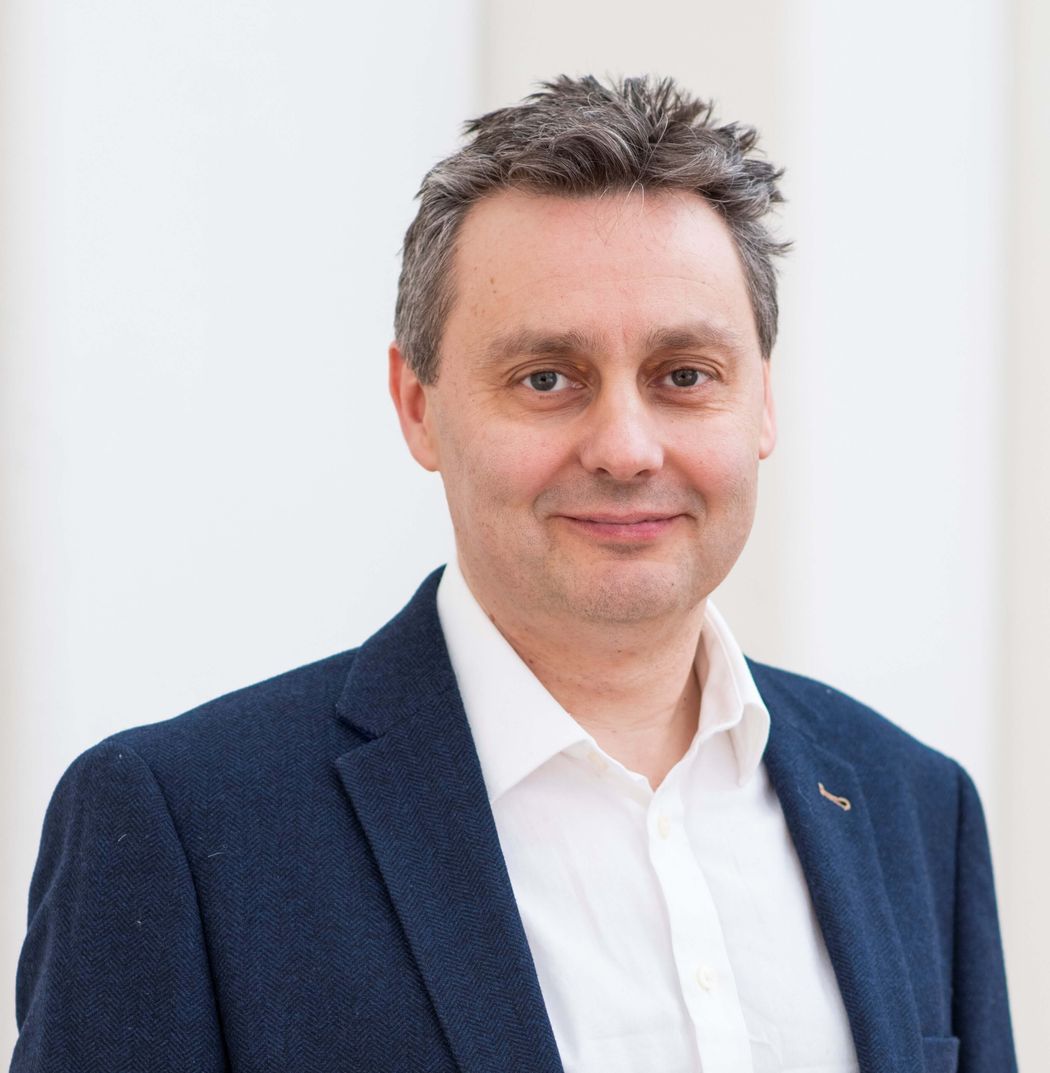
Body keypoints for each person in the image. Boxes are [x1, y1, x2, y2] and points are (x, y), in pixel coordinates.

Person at [10, 75, 1014, 1073]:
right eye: (547, 379)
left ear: (760, 405)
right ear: (417, 404)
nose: (626, 447)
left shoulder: (915, 809)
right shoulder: (183, 826)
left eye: (685, 376)